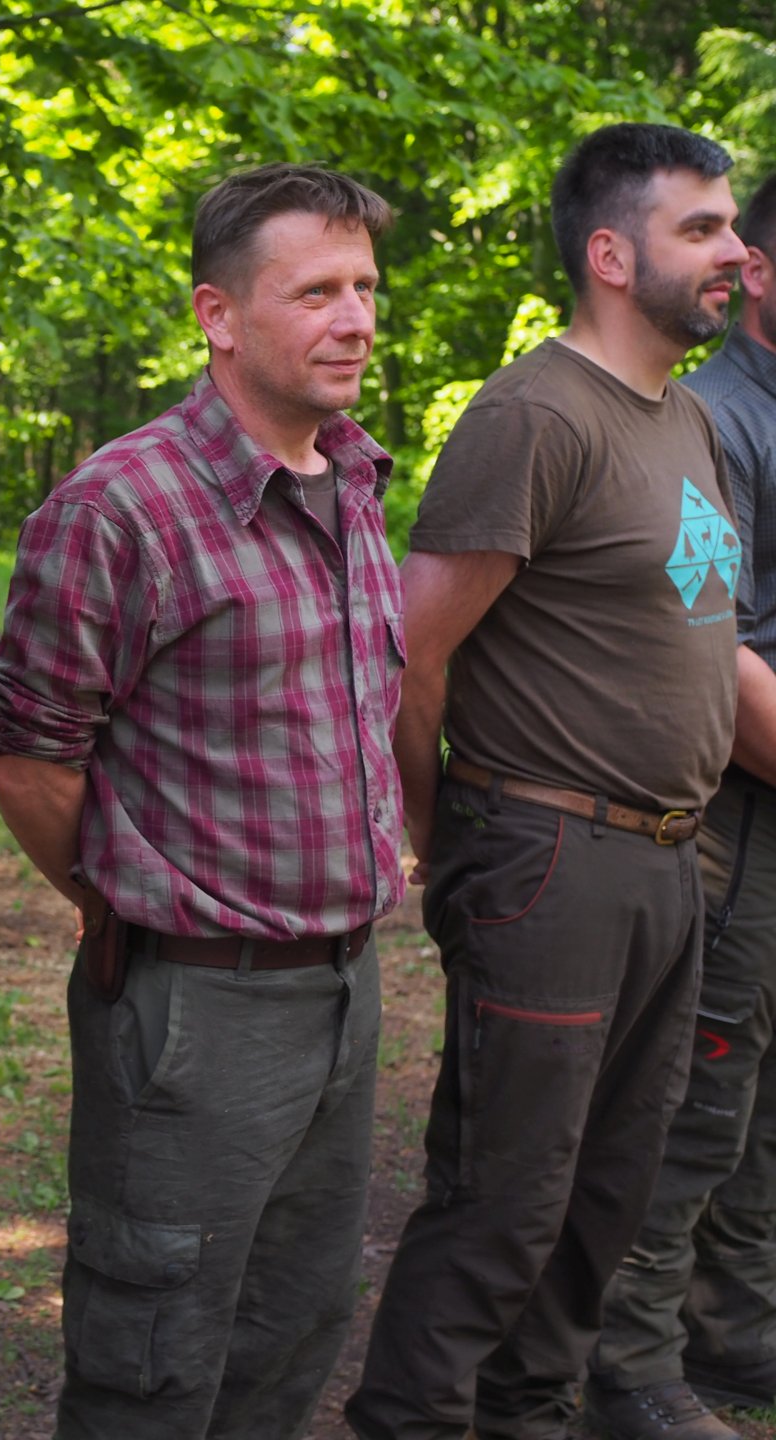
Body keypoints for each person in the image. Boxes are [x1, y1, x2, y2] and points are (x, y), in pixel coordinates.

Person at [0, 162, 403, 1439]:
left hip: (347, 991)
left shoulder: (355, 479)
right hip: (194, 1009)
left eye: (365, 288)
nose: (355, 319)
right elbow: (25, 755)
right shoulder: (123, 507)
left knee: (294, 1326)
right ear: (218, 314)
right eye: (316, 292)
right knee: (151, 1357)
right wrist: (124, 895)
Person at [346, 123, 750, 1440]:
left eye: (731, 226)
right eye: (703, 229)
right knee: (508, 1197)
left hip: (670, 858)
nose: (735, 253)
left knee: (609, 1190)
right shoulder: (535, 414)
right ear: (612, 255)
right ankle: (409, 1421)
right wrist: (443, 829)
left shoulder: (684, 416)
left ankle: (525, 1417)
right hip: (550, 857)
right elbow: (412, 652)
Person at [588, 169, 776, 1435]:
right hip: (730, 817)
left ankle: (740, 1331)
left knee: (766, 1105)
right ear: (758, 271)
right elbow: (721, 643)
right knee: (699, 1098)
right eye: (701, 233)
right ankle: (632, 1365)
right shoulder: (709, 421)